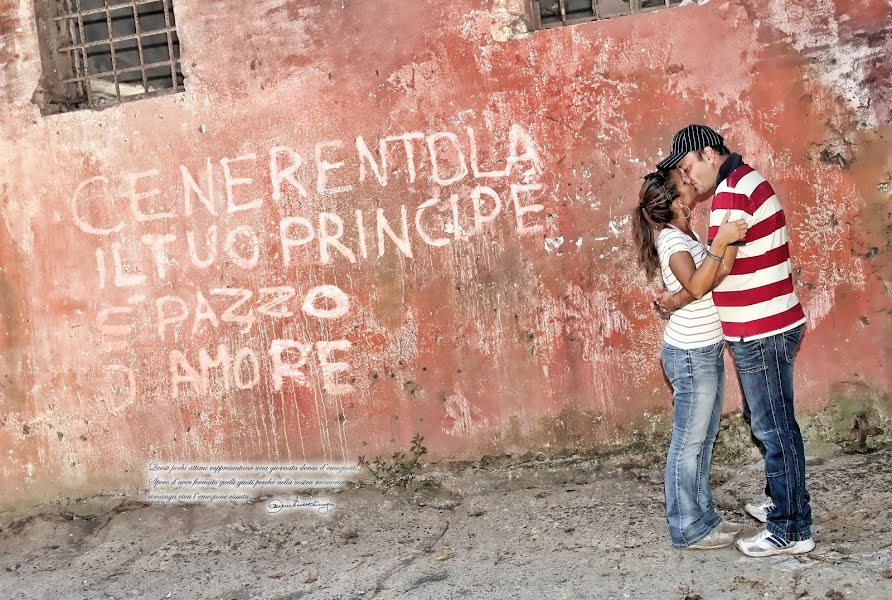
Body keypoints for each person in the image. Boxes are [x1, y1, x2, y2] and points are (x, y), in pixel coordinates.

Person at [656, 124, 815, 557]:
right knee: (769, 421)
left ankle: (790, 527)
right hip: (763, 323)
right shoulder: (741, 184)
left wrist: (674, 298)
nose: (689, 180)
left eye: (689, 169)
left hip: (762, 327)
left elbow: (716, 271)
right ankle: (786, 503)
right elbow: (720, 264)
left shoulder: (732, 191)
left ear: (709, 154)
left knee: (773, 427)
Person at [633, 169, 748, 549]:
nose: (691, 180)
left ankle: (704, 518)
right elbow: (698, 284)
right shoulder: (670, 241)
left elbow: (711, 277)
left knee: (703, 440)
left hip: (706, 349)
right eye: (684, 181)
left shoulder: (688, 234)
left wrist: (725, 241)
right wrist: (723, 242)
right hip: (689, 355)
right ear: (678, 201)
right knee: (688, 443)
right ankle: (686, 527)